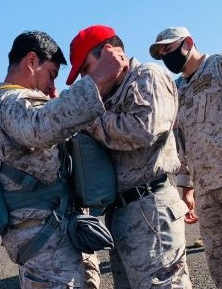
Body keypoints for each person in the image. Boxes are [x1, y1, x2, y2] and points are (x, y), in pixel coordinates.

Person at [0, 30, 127, 288]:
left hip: (42, 233)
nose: (52, 86)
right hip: (44, 240)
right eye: (51, 74)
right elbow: (41, 127)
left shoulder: (2, 105)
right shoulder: (13, 101)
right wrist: (97, 78)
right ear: (31, 61)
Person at [66, 25, 192, 289]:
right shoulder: (111, 93)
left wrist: (89, 119)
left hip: (149, 208)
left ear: (108, 52)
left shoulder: (146, 75)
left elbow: (143, 129)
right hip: (122, 212)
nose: (86, 79)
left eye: (86, 68)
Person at [149, 26, 222, 288]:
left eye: (169, 48)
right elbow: (182, 139)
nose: (166, 56)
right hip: (206, 188)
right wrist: (186, 185)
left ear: (188, 43)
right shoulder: (179, 89)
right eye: (162, 53)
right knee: (219, 264)